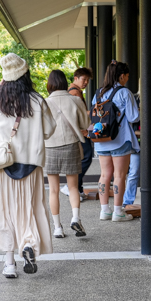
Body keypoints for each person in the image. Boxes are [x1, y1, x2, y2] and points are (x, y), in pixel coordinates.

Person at [0, 53, 55, 278]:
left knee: (5, 211)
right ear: (25, 74)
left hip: (5, 163)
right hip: (31, 164)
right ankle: (28, 245)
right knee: (30, 208)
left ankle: (10, 264)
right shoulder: (37, 100)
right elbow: (49, 129)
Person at [91, 60, 140, 222]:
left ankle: (105, 211)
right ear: (121, 76)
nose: (127, 79)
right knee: (119, 175)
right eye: (126, 76)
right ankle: (118, 212)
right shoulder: (125, 93)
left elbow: (94, 115)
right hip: (120, 139)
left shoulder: (98, 93)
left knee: (105, 174)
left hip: (102, 139)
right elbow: (134, 117)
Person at [44, 69, 90, 238]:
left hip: (50, 147)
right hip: (71, 144)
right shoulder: (75, 100)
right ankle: (76, 218)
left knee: (54, 189)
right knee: (72, 187)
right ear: (65, 82)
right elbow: (85, 123)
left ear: (49, 84)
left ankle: (57, 228)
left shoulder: (45, 102)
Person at [124, 75, 151, 208]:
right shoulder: (135, 98)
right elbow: (131, 118)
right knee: (134, 171)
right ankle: (127, 202)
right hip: (138, 139)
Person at [61, 67, 93, 201]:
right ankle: (70, 186)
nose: (86, 82)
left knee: (80, 159)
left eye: (87, 80)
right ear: (76, 78)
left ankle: (77, 189)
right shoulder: (75, 93)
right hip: (80, 131)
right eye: (83, 79)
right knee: (86, 157)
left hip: (76, 131)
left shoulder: (73, 91)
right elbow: (79, 114)